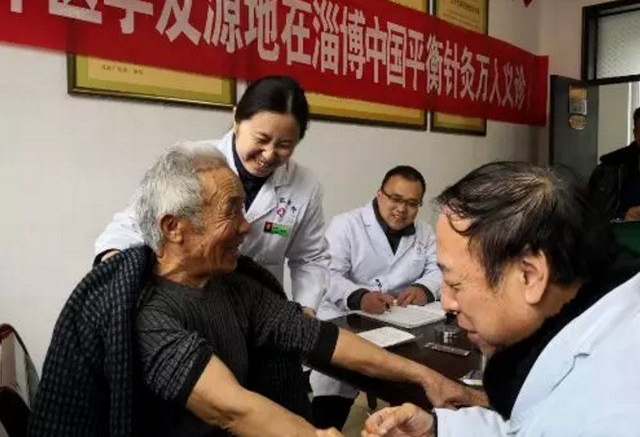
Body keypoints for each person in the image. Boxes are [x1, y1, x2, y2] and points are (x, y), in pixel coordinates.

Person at [31, 142, 487, 437]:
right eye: (231, 211)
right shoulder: (146, 311)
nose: (247, 227)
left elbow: (323, 339)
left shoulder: (232, 286)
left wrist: (426, 378)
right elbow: (231, 409)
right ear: (174, 227)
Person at [321, 161, 640, 437]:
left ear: (530, 275)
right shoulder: (585, 320)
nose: (447, 302)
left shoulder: (616, 403)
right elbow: (528, 427)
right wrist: (438, 428)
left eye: (454, 283)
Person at [94, 75, 329, 315]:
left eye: (284, 145)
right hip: (190, 304)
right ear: (237, 120)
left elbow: (310, 258)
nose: (269, 154)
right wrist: (116, 268)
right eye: (262, 139)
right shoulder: (192, 161)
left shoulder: (304, 185)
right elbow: (134, 225)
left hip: (261, 309)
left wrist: (306, 309)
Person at [310, 166, 443, 430]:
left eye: (412, 203)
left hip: (401, 317)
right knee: (337, 378)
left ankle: (408, 422)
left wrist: (424, 288)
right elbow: (327, 274)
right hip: (347, 316)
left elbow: (438, 269)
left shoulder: (424, 231)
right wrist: (358, 296)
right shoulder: (346, 225)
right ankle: (325, 426)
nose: (402, 209)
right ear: (380, 195)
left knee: (419, 370)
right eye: (395, 199)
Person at [589, 106, 640, 220]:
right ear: (635, 134)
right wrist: (622, 216)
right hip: (625, 230)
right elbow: (593, 215)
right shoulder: (609, 169)